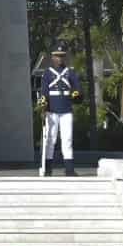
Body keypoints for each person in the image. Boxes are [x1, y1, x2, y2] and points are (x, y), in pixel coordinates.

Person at [36, 39, 85, 177]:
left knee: (67, 139)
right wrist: (43, 106)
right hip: (52, 110)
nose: (60, 58)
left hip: (66, 110)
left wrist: (76, 93)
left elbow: (78, 88)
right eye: (57, 56)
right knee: (50, 139)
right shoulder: (47, 73)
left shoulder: (70, 72)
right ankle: (48, 168)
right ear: (52, 57)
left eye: (62, 56)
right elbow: (44, 92)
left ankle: (69, 169)